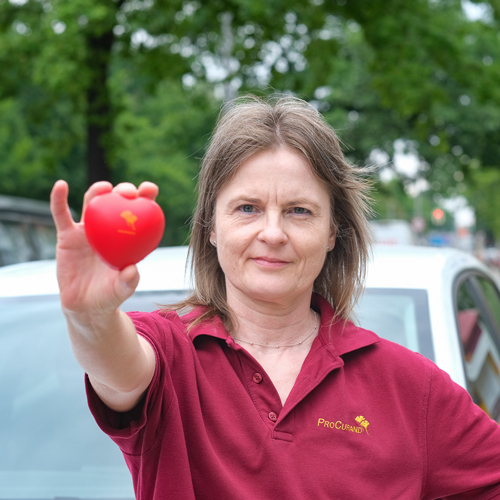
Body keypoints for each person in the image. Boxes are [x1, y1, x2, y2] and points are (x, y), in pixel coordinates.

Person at [50, 95, 500, 499]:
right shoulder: (169, 356)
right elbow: (117, 368)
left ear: (331, 233)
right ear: (210, 227)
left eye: (298, 211)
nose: (272, 233)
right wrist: (90, 315)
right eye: (247, 208)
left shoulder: (411, 389)